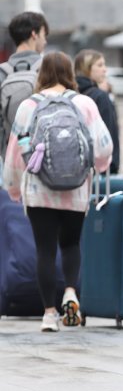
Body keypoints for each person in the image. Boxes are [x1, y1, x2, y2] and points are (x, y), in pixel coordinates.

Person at [2, 51, 113, 332]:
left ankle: (49, 313)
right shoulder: (84, 103)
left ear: (41, 74)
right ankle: (71, 294)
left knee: (45, 250)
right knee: (71, 244)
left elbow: (15, 151)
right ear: (70, 74)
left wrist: (13, 188)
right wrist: (98, 165)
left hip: (40, 190)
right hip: (76, 189)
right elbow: (103, 146)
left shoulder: (29, 105)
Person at [0, 12, 49, 173]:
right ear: (34, 34)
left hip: (7, 158)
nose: (45, 40)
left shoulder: (2, 72)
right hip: (41, 158)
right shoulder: (48, 70)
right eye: (43, 35)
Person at [74, 49, 120, 174]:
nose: (105, 69)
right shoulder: (100, 96)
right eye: (100, 65)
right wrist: (113, 165)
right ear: (86, 68)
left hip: (78, 167)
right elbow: (109, 134)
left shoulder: (71, 94)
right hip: (102, 169)